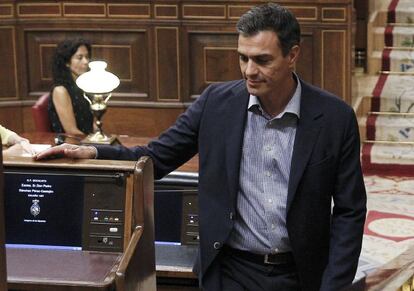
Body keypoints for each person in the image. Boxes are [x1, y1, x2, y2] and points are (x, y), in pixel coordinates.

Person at [36, 3, 367, 291]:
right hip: (230, 271)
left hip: (301, 274)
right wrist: (93, 152)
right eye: (243, 58)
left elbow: (350, 211)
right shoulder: (215, 103)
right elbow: (155, 157)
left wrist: (334, 285)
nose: (249, 71)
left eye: (262, 60)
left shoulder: (334, 117)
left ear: (293, 55)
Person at [48, 38, 94, 135]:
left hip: (87, 141)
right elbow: (72, 131)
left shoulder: (84, 86)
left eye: (87, 57)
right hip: (71, 145)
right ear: (67, 62)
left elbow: (93, 124)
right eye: (80, 57)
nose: (86, 62)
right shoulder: (60, 90)